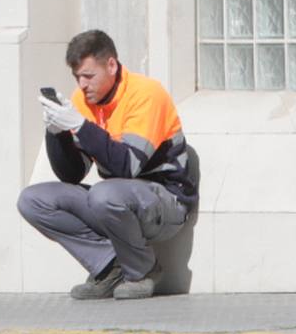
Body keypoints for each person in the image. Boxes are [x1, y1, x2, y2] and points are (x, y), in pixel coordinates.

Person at [17, 30, 197, 300]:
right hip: (118, 199)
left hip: (166, 201)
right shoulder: (83, 101)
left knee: (105, 193)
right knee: (33, 200)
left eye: (89, 76)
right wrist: (56, 134)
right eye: (77, 77)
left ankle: (142, 271)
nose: (82, 85)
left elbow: (128, 166)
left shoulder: (146, 93)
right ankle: (109, 266)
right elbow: (73, 173)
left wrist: (80, 126)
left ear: (111, 65)